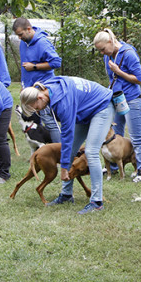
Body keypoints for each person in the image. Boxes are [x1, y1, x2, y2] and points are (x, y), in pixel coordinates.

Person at [19, 76, 114, 214]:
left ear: (39, 98)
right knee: (69, 152)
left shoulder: (63, 102)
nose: (38, 111)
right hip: (85, 110)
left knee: (91, 151)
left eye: (36, 108)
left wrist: (64, 168)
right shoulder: (45, 88)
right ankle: (66, 195)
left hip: (102, 106)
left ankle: (97, 202)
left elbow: (67, 135)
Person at [93, 28, 141, 182]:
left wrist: (119, 71)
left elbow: (139, 79)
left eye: (103, 49)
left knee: (136, 137)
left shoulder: (129, 53)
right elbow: (112, 78)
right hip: (117, 99)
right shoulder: (108, 56)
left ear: (111, 42)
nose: (102, 53)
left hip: (132, 99)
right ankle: (113, 167)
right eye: (99, 50)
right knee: (115, 134)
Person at [12, 17, 62, 143]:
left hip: (43, 89)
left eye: (21, 34)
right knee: (34, 122)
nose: (19, 38)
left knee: (49, 121)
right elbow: (25, 66)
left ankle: (60, 152)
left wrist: (34, 67)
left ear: (28, 29)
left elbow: (56, 62)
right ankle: (40, 155)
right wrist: (24, 85)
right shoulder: (24, 42)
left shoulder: (42, 42)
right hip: (30, 89)